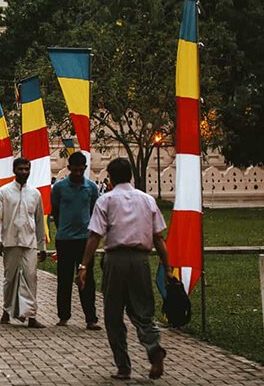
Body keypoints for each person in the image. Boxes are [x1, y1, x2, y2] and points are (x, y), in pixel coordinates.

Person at [77, 158, 171, 381]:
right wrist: (168, 267)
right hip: (140, 261)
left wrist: (83, 265)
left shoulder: (106, 200)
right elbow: (159, 238)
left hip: (115, 260)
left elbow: (95, 236)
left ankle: (123, 366)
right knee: (143, 310)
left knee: (113, 314)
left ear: (111, 177)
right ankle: (153, 347)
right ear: (130, 175)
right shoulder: (147, 200)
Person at [0, 157, 47, 328]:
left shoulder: (35, 193)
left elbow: (39, 221)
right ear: (14, 170)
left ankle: (31, 316)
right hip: (10, 241)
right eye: (21, 169)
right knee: (10, 278)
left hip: (29, 242)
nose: (24, 172)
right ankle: (6, 311)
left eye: (26, 169)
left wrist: (42, 245)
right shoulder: (4, 192)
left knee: (31, 278)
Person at [50, 151, 100, 329]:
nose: (78, 173)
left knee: (87, 279)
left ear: (85, 168)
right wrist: (62, 228)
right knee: (64, 279)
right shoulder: (59, 188)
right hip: (64, 239)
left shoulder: (91, 188)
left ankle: (90, 318)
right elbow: (55, 211)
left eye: (81, 170)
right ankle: (63, 316)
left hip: (85, 240)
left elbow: (95, 211)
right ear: (69, 168)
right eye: (75, 170)